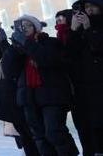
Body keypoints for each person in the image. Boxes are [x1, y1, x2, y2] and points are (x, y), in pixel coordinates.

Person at [10, 14, 79, 156]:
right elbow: (8, 64)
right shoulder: (20, 49)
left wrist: (26, 43)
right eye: (21, 26)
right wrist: (3, 42)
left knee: (54, 132)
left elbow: (47, 59)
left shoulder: (50, 42)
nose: (24, 29)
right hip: (29, 97)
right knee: (39, 137)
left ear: (36, 27)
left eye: (28, 25)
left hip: (51, 95)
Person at [0, 23, 40, 156]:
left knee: (31, 136)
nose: (16, 32)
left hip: (19, 97)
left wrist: (3, 40)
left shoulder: (26, 47)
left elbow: (11, 55)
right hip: (10, 98)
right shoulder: (14, 48)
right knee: (25, 136)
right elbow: (1, 54)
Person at [67, 0, 103, 156]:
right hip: (83, 90)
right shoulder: (80, 31)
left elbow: (97, 48)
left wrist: (89, 28)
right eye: (86, 7)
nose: (88, 10)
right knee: (86, 129)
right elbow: (70, 55)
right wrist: (74, 31)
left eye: (92, 6)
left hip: (99, 87)